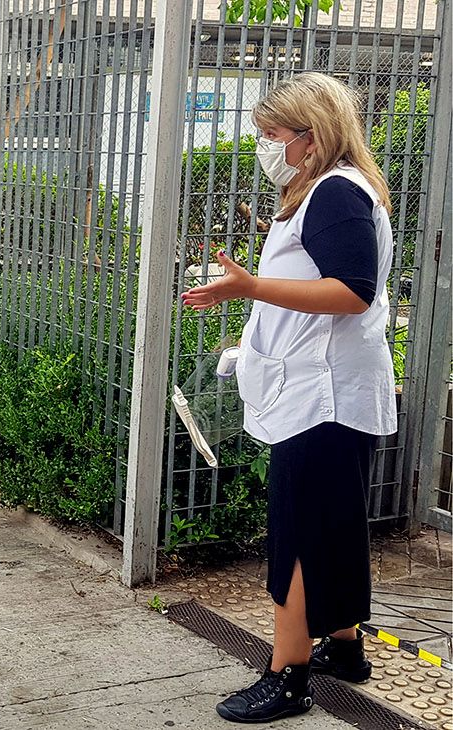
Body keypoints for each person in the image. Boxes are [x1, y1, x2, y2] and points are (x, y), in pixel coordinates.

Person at [181, 73, 399, 725]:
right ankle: (344, 647)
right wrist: (240, 291)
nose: (263, 145)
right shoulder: (324, 190)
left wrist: (252, 291)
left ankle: (287, 676)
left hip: (323, 397)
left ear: (313, 135)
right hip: (322, 392)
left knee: (300, 535)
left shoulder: (334, 192)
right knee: (330, 526)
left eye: (272, 134)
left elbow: (352, 291)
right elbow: (318, 281)